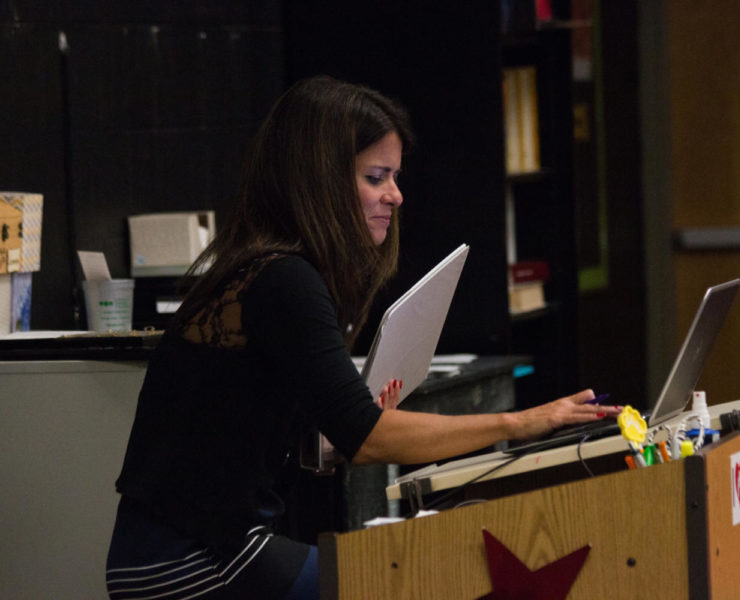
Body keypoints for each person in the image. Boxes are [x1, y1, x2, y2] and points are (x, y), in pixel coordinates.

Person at [105, 75, 620, 600]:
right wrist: (523, 422)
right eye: (377, 177)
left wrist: (336, 432)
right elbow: (366, 436)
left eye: (394, 176)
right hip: (187, 560)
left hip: (193, 550)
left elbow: (250, 428)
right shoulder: (284, 280)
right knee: (409, 583)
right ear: (321, 180)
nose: (395, 195)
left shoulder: (264, 270)